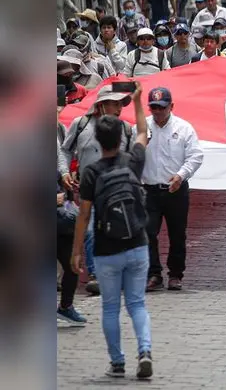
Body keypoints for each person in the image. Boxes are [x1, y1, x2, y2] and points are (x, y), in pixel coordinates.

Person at [70, 84, 153, 379]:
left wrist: (78, 251)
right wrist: (139, 101)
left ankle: (117, 362)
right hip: (138, 243)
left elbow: (84, 215)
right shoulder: (133, 162)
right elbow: (143, 132)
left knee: (110, 307)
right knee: (137, 303)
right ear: (121, 137)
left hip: (106, 249)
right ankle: (144, 349)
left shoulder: (92, 172)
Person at [142, 88, 204, 292]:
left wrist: (181, 175)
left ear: (171, 106)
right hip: (149, 189)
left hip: (175, 190)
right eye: (153, 107)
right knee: (148, 232)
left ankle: (176, 274)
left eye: (162, 107)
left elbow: (195, 156)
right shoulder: (141, 128)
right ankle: (153, 273)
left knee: (177, 234)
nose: (157, 111)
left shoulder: (184, 128)